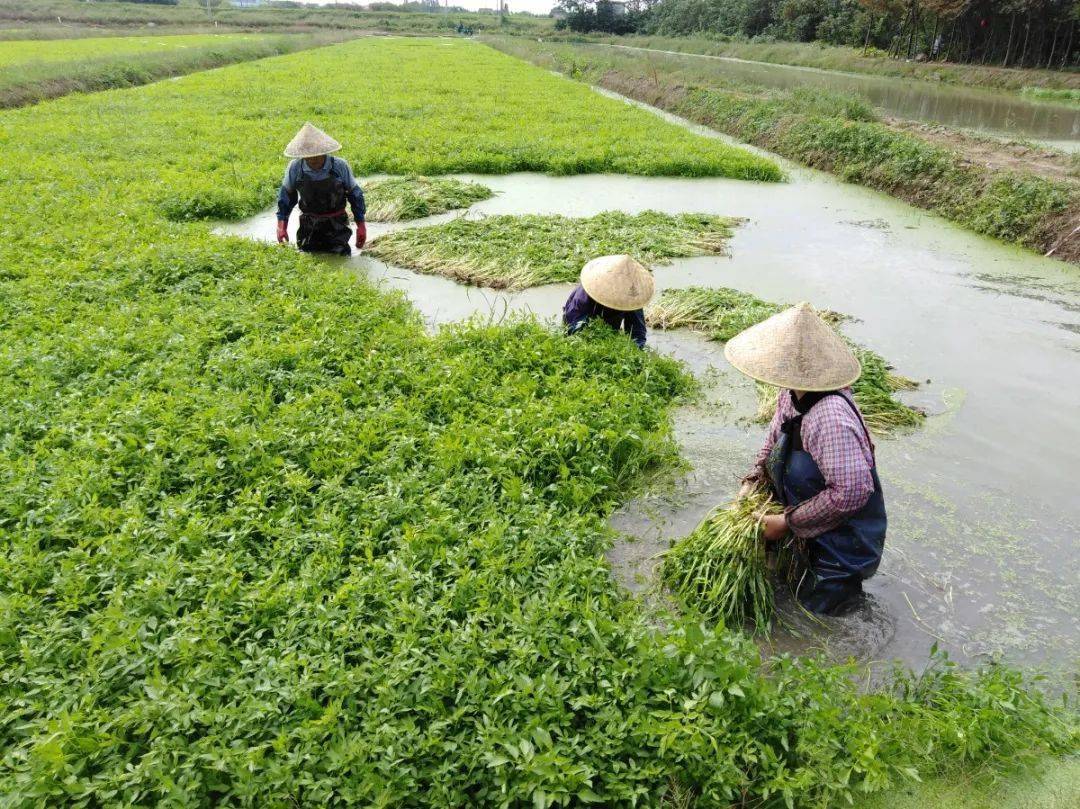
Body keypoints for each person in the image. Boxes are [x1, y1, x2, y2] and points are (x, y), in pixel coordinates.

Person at [727, 302, 887, 615]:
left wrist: (786, 522)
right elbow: (773, 442)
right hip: (810, 527)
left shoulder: (830, 417)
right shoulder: (791, 393)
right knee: (792, 595)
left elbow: (852, 492)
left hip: (841, 546)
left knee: (823, 620)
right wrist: (752, 482)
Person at [276, 122, 366, 256]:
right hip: (308, 224)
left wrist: (361, 227)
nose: (313, 159)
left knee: (340, 258)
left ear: (324, 151)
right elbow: (286, 198)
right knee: (307, 257)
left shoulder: (339, 166)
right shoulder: (295, 168)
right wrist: (281, 227)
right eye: (309, 155)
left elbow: (355, 196)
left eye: (317, 154)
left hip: (337, 224)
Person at [562, 255, 653, 349]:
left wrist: (636, 351)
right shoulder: (586, 294)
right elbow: (573, 327)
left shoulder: (632, 295)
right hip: (583, 326)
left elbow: (637, 332)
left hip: (610, 328)